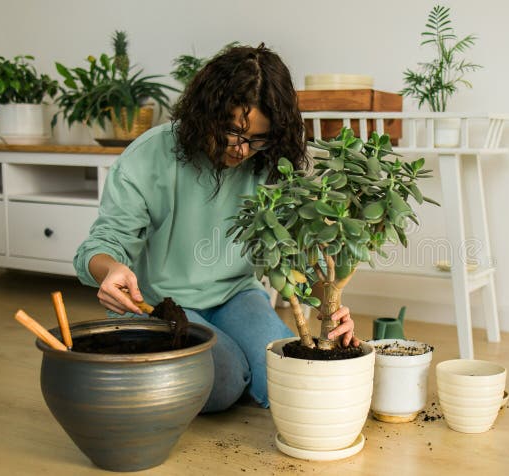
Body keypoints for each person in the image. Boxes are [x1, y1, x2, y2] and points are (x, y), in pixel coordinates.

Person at [73, 43, 359, 413]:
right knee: (224, 383)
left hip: (236, 295)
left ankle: (218, 366)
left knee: (292, 374)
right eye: (233, 133)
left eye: (258, 139)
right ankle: (219, 368)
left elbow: (297, 260)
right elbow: (103, 242)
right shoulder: (149, 155)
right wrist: (110, 269)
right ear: (205, 113)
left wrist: (329, 305)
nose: (243, 151)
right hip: (159, 304)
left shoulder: (272, 163)